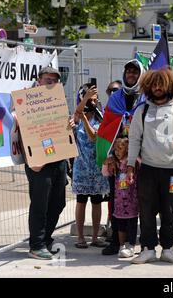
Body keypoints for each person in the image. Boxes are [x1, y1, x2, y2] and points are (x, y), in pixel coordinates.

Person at [127, 69, 173, 264]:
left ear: (169, 86)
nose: (157, 87)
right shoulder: (142, 110)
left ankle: (168, 248)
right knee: (146, 210)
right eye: (154, 84)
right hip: (147, 169)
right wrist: (131, 165)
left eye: (161, 84)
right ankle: (147, 248)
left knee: (170, 209)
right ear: (148, 86)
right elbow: (134, 139)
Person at [99, 59, 145, 256]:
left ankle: (136, 240)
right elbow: (107, 127)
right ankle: (115, 242)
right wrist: (109, 155)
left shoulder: (144, 99)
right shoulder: (115, 98)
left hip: (138, 159)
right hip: (117, 160)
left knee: (137, 200)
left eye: (135, 72)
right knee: (115, 200)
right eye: (128, 72)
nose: (131, 75)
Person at [24, 66, 69, 260]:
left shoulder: (58, 102)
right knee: (40, 204)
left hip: (58, 158)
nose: (51, 83)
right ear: (39, 80)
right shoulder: (28, 100)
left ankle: (45, 238)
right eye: (48, 80)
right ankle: (36, 245)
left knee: (58, 202)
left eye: (55, 80)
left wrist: (70, 124)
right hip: (39, 161)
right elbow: (18, 124)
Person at [72, 83, 109, 249]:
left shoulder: (100, 117)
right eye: (89, 100)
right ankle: (80, 237)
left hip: (96, 166)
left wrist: (87, 117)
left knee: (96, 201)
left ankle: (95, 237)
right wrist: (84, 101)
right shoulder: (76, 118)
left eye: (94, 99)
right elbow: (77, 115)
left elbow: (94, 137)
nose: (92, 103)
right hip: (81, 166)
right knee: (81, 201)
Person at [102, 137, 139, 258]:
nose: (117, 151)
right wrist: (105, 163)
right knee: (120, 224)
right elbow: (105, 173)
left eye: (120, 149)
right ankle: (122, 245)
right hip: (118, 201)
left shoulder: (132, 162)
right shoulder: (114, 163)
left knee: (132, 223)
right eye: (115, 149)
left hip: (131, 201)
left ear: (127, 149)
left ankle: (131, 245)